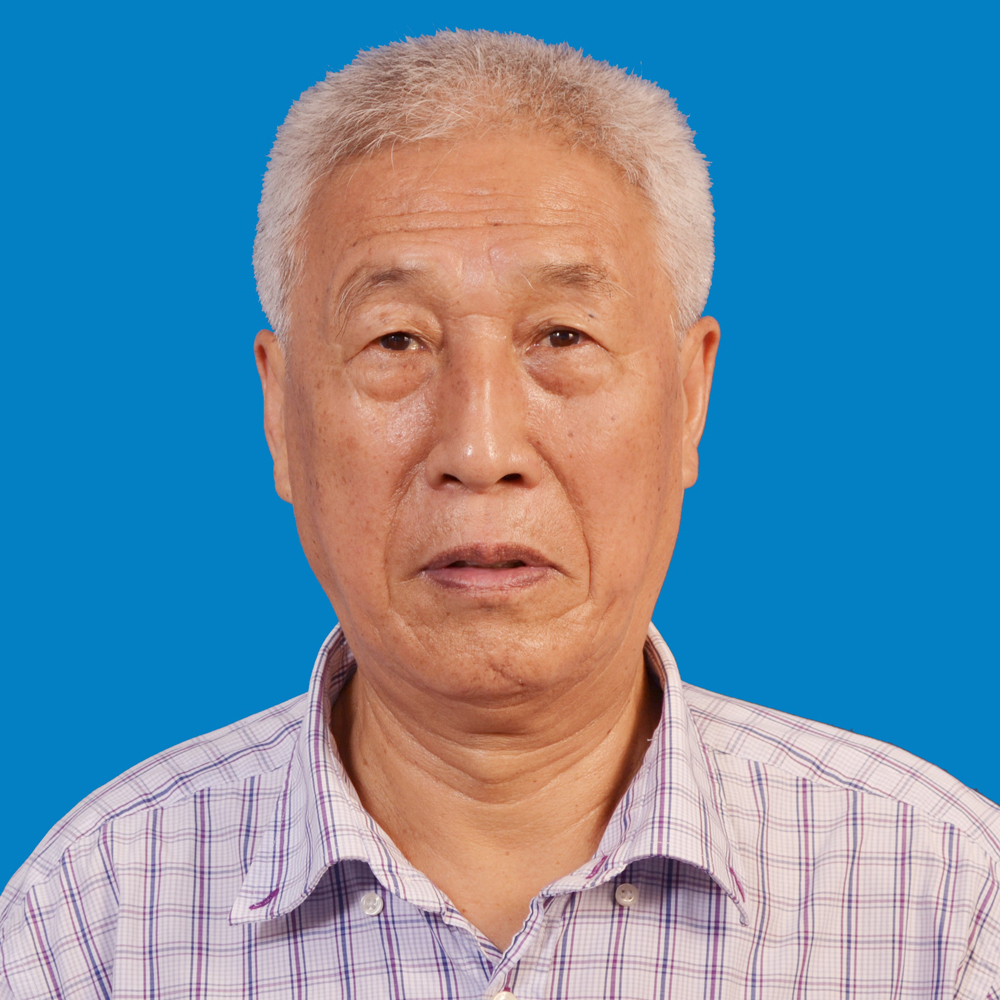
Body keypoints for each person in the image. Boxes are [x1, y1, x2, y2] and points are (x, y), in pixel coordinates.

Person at [1, 28, 997, 1000]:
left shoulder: (948, 907)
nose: (480, 451)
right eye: (395, 341)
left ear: (690, 396)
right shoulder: (90, 925)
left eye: (562, 335)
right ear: (278, 411)